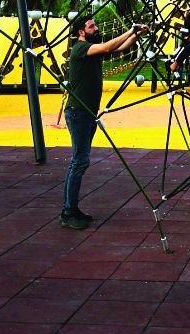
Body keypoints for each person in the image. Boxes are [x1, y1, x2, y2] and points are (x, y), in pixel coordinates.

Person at [60, 13, 142, 230]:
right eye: (91, 26)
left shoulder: (92, 51)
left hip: (87, 113)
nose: (96, 28)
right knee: (79, 161)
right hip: (78, 113)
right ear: (81, 32)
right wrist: (131, 30)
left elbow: (118, 48)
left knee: (80, 161)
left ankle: (71, 208)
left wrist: (136, 35)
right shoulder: (80, 48)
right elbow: (107, 46)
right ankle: (68, 212)